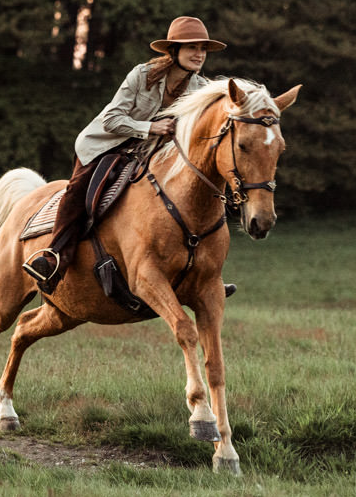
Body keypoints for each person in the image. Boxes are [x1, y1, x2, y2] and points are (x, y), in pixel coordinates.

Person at [23, 16, 227, 293]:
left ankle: (203, 276)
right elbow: (111, 119)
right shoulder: (141, 75)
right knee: (80, 192)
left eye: (203, 49)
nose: (199, 54)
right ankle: (53, 257)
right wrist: (151, 127)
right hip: (105, 146)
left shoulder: (201, 89)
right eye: (192, 47)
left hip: (151, 153)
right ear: (173, 51)